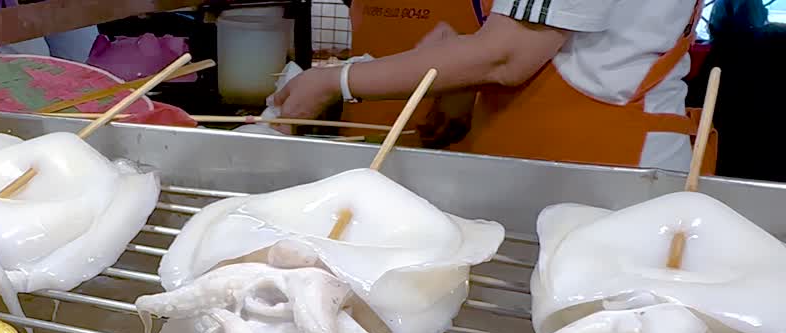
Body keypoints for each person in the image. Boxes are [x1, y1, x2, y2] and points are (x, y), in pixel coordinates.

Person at [272, 0, 710, 172]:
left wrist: (335, 80)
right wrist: (462, 72)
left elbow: (507, 56)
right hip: (555, 157)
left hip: (605, 168)